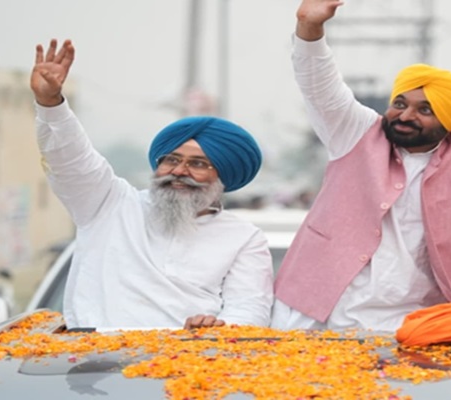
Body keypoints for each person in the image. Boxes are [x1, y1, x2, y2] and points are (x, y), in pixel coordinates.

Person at [272, 0, 451, 332]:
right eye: (400, 103)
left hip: (419, 322)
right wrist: (310, 28)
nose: (405, 116)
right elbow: (320, 87)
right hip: (317, 314)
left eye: (424, 110)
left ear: (449, 121)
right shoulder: (356, 133)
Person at [30, 39, 273, 330]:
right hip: (92, 354)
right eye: (171, 160)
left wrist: (219, 328)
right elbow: (72, 159)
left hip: (190, 355)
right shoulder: (109, 204)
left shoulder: (244, 238)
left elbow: (250, 308)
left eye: (198, 164)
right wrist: (51, 104)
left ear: (223, 177)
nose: (179, 171)